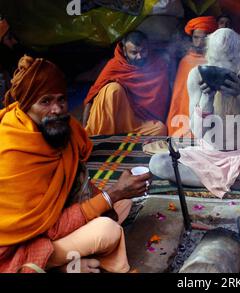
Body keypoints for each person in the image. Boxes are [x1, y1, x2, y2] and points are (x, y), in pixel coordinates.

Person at [0, 56, 152, 273]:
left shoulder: (63, 128)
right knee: (107, 230)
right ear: (26, 106)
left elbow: (77, 178)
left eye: (61, 100)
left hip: (57, 216)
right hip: (23, 243)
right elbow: (49, 228)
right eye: (45, 101)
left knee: (124, 205)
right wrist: (111, 195)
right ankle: (58, 265)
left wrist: (111, 198)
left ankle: (72, 259)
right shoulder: (12, 151)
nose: (57, 109)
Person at [151, 28, 240, 198]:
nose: (221, 66)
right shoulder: (196, 74)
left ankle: (215, 181)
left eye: (229, 60)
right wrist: (206, 99)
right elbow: (197, 131)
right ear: (208, 55)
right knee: (158, 164)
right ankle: (239, 183)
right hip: (207, 156)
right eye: (215, 60)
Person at [83, 31, 170, 136]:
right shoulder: (115, 65)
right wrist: (84, 130)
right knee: (113, 89)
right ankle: (105, 136)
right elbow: (91, 96)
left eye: (143, 51)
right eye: (134, 53)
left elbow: (163, 100)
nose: (140, 57)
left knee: (160, 130)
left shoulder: (157, 64)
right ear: (124, 51)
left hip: (136, 122)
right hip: (112, 119)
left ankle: (120, 137)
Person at [166, 16, 218, 137]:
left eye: (204, 38)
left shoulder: (215, 61)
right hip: (185, 116)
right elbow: (179, 98)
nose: (199, 42)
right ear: (192, 38)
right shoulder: (186, 61)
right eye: (196, 38)